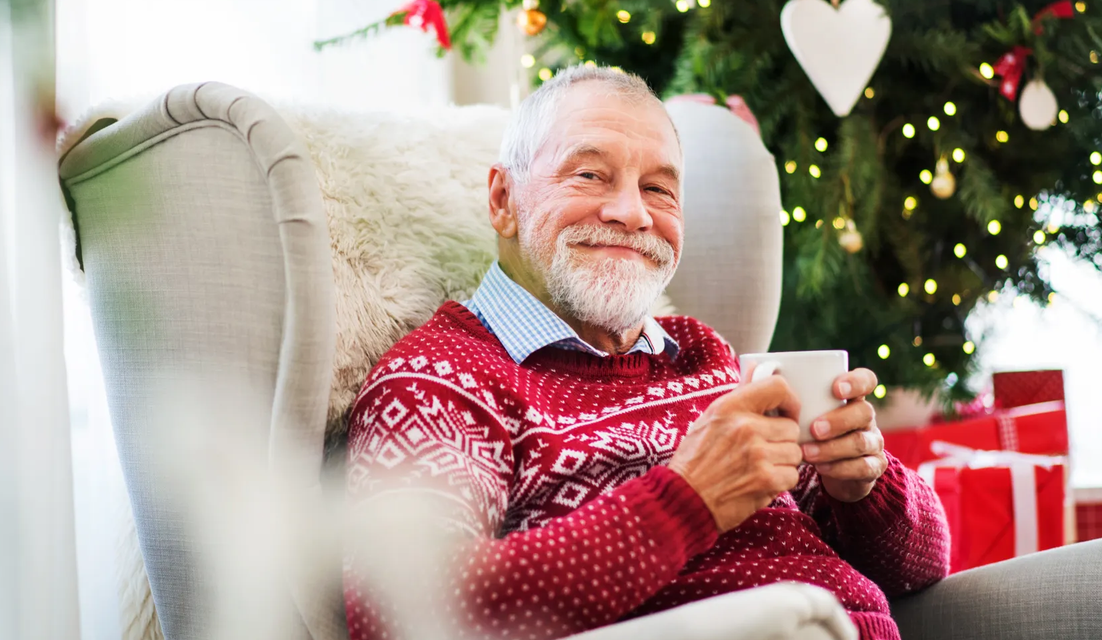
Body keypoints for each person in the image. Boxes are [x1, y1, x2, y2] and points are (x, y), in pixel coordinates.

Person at [342, 65, 949, 640]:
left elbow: (923, 567)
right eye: (589, 175)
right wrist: (687, 501)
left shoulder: (700, 352)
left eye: (658, 188)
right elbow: (404, 611)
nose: (632, 214)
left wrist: (864, 486)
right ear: (503, 200)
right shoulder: (437, 381)